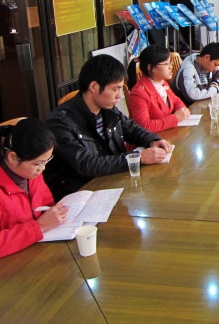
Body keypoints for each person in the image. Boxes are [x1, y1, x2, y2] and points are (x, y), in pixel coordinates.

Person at [45, 54, 172, 200]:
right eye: (115, 89)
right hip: (82, 193)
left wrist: (152, 140)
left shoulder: (107, 109)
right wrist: (137, 158)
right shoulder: (60, 122)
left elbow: (131, 128)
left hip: (113, 181)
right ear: (94, 86)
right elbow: (87, 164)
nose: (120, 95)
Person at [0, 119, 69, 258]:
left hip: (37, 250)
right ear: (13, 157)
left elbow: (47, 202)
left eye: (46, 161)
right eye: (37, 163)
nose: (42, 169)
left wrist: (56, 212)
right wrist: (39, 227)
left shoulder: (32, 175)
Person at [128, 45, 191, 133]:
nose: (171, 67)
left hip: (167, 133)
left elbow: (175, 100)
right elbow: (144, 126)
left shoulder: (162, 82)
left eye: (170, 62)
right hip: (151, 140)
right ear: (151, 67)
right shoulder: (138, 93)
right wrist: (175, 118)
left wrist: (182, 110)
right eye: (166, 63)